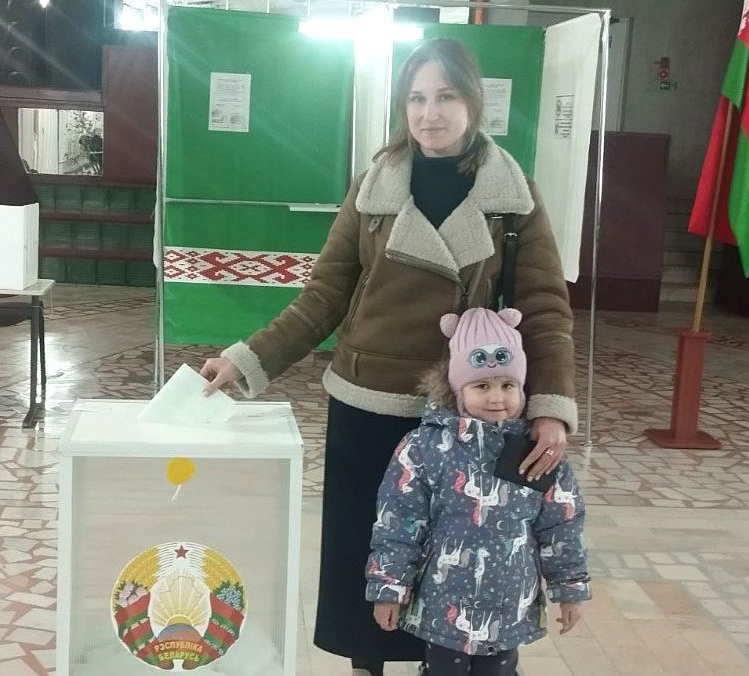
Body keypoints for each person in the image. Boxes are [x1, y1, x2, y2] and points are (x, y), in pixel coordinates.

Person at [200, 38, 578, 676]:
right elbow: (323, 296)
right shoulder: (373, 189)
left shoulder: (513, 197)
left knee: (451, 560)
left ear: (473, 102)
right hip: (367, 403)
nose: (429, 113)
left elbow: (545, 309)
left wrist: (549, 408)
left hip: (464, 417)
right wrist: (247, 359)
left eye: (445, 96)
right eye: (416, 98)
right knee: (366, 553)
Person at [366, 307, 590, 676]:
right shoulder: (425, 448)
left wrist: (570, 588)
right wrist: (389, 588)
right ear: (458, 390)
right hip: (443, 602)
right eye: (482, 386)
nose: (497, 398)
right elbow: (398, 522)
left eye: (508, 385)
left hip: (509, 604)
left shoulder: (537, 452)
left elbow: (561, 525)